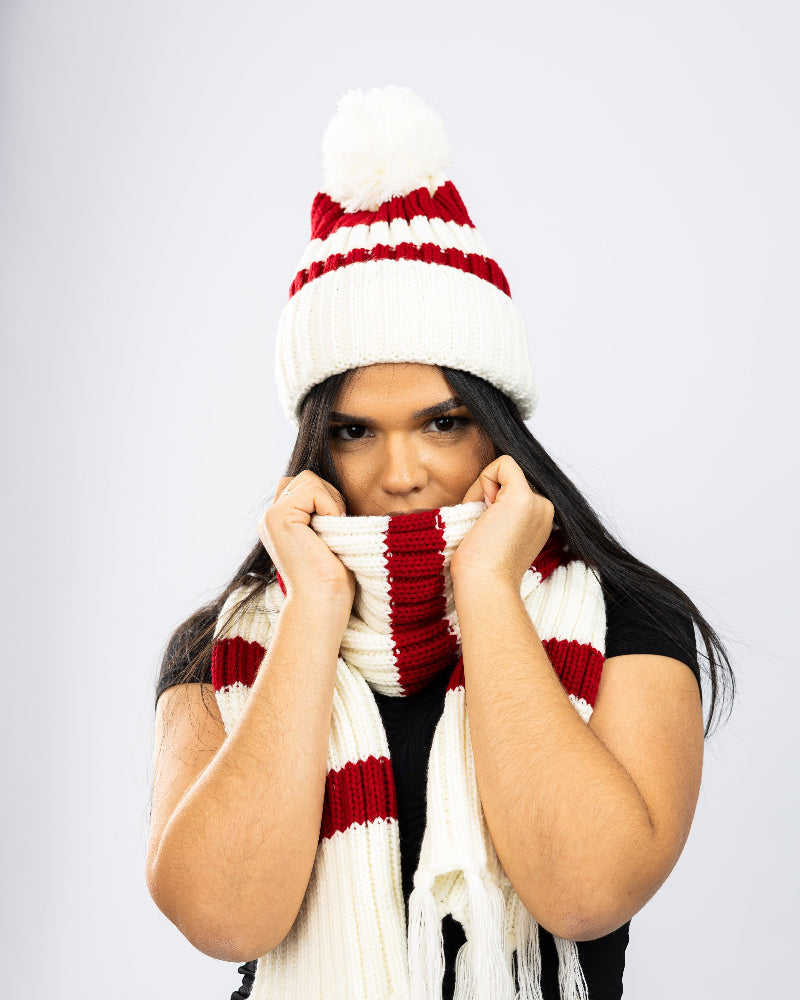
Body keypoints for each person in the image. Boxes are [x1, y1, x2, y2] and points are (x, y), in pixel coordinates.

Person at [146, 86, 734, 1000]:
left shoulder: (631, 619)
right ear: (313, 443)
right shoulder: (224, 648)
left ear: (498, 427)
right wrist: (314, 613)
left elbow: (585, 892)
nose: (402, 470)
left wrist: (489, 592)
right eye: (354, 430)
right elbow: (224, 918)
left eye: (442, 421)